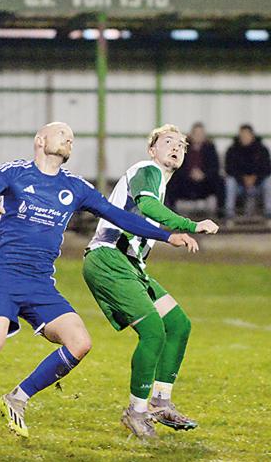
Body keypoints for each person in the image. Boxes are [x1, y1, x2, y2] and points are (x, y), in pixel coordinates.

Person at [0, 122, 199, 442]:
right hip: (6, 277)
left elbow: (119, 215)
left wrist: (167, 236)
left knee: (80, 342)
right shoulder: (15, 172)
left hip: (42, 283)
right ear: (40, 139)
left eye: (71, 137)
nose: (68, 138)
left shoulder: (75, 186)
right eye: (61, 134)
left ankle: (17, 398)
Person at [84, 124, 219, 438]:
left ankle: (159, 401)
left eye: (181, 145)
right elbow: (147, 207)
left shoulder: (160, 182)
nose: (175, 147)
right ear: (152, 150)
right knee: (153, 331)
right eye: (167, 142)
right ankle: (137, 411)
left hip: (130, 265)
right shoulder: (147, 170)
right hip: (109, 259)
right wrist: (190, 225)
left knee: (178, 324)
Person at [166, 122, 224, 216]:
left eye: (201, 134)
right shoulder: (181, 148)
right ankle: (171, 214)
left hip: (205, 182)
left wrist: (203, 174)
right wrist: (190, 173)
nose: (198, 136)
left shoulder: (210, 148)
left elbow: (215, 167)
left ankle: (221, 215)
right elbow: (176, 165)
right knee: (171, 180)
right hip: (186, 181)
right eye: (196, 134)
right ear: (191, 135)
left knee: (220, 181)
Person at [224, 124, 271, 221]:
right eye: (242, 135)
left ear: (252, 135)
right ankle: (229, 216)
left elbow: (268, 169)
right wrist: (243, 179)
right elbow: (229, 169)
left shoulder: (262, 150)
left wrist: (255, 179)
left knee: (269, 182)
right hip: (239, 186)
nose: (245, 137)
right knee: (229, 182)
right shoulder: (232, 150)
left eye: (247, 134)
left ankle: (270, 216)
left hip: (258, 185)